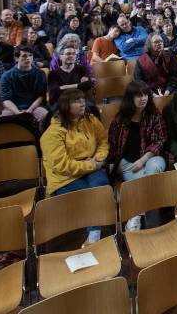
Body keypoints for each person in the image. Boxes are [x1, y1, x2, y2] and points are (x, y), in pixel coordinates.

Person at [39, 88, 110, 245]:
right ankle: (95, 236)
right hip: (64, 177)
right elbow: (61, 165)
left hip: (92, 165)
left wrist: (99, 158)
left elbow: (103, 141)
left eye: (83, 99)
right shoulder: (53, 133)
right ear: (66, 106)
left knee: (99, 186)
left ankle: (94, 234)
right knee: (90, 195)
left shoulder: (91, 120)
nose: (82, 103)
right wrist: (91, 165)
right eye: (77, 101)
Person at [105, 80, 168, 231]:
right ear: (130, 98)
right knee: (149, 186)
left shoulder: (154, 115)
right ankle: (153, 228)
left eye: (145, 94)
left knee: (150, 175)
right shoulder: (119, 120)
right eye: (138, 95)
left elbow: (160, 140)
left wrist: (143, 160)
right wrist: (114, 166)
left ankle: (136, 215)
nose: (143, 98)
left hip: (153, 158)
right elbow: (113, 146)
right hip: (127, 164)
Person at [0, 46, 49, 125]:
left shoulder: (40, 73)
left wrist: (30, 110)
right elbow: (6, 100)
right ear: (16, 58)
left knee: (44, 115)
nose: (28, 58)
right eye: (24, 56)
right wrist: (18, 113)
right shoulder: (7, 75)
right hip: (13, 107)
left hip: (34, 106)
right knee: (5, 118)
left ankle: (39, 137)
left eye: (30, 55)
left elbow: (41, 96)